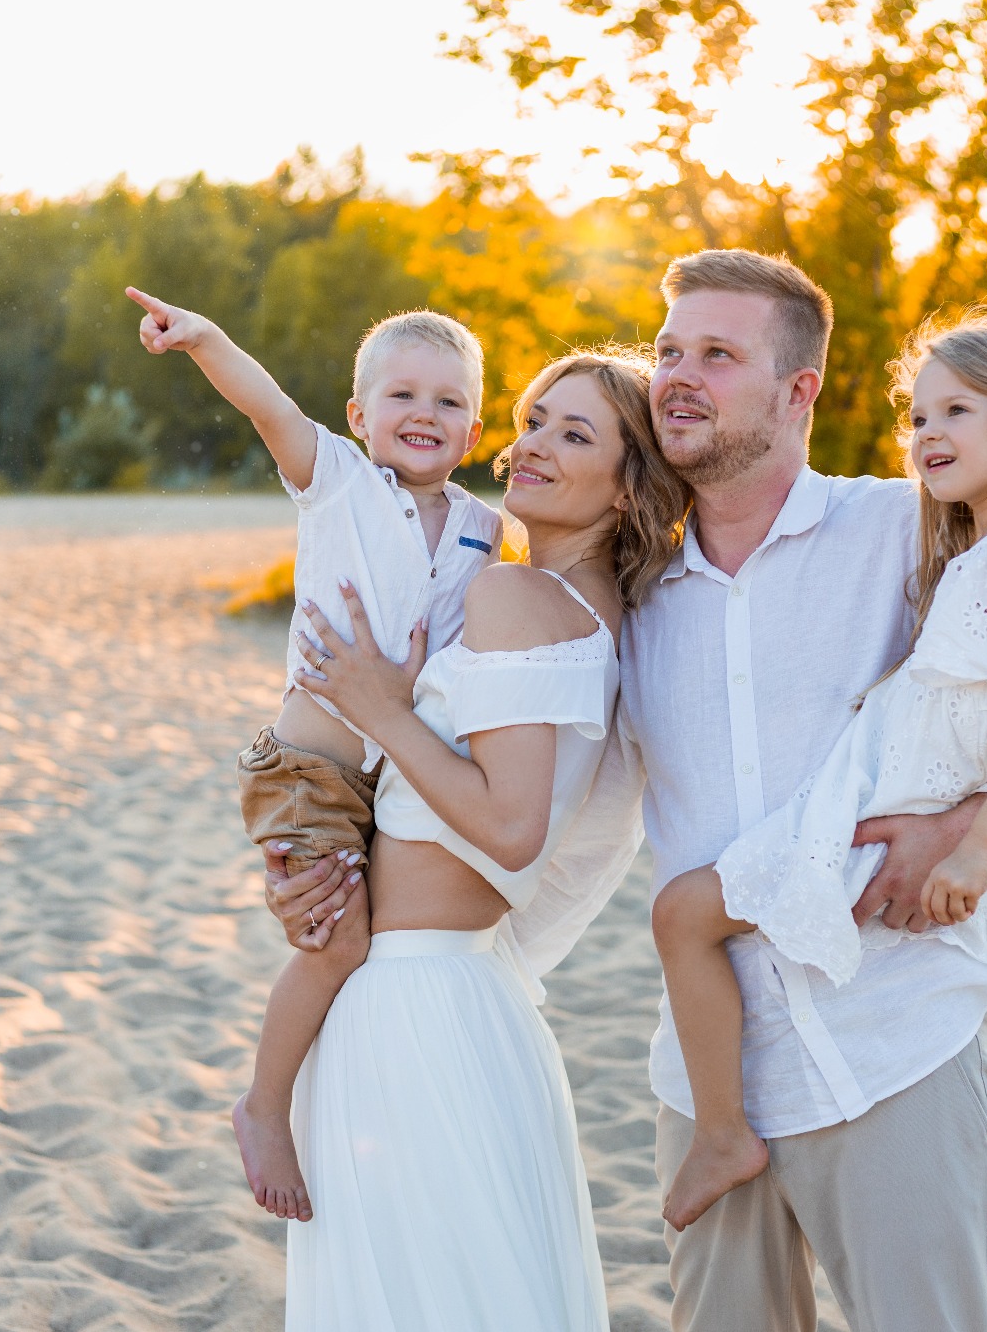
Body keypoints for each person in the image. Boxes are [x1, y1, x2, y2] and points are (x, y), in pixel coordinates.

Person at [616, 249, 987, 1332]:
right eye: (668, 350)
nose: (677, 372)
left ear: (797, 388)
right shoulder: (622, 584)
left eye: (717, 353)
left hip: (893, 1039)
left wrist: (975, 833)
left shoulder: (910, 529)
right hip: (708, 1076)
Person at [270, 350, 688, 1331]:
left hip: (417, 1007)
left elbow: (509, 830)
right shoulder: (603, 619)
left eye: (573, 432)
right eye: (534, 418)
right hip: (473, 996)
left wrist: (382, 704)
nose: (532, 442)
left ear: (629, 490)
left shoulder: (513, 599)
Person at [124, 287, 503, 1222]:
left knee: (383, 948)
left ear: (477, 427)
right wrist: (207, 338)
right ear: (357, 415)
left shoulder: (485, 529)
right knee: (338, 945)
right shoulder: (336, 476)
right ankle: (262, 1108)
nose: (424, 414)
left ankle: (350, 1114)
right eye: (402, 396)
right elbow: (268, 406)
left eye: (449, 401)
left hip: (391, 777)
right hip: (307, 767)